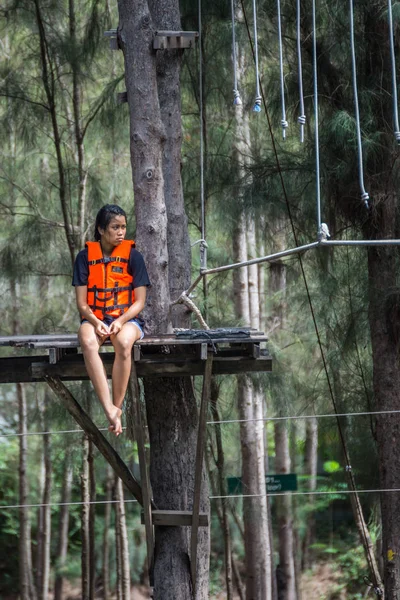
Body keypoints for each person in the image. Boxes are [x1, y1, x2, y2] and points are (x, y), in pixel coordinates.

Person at [72, 204, 150, 436]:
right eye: (115, 227)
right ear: (101, 229)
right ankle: (109, 409)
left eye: (123, 227)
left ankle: (117, 407)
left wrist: (121, 320)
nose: (121, 232)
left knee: (124, 343)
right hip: (95, 319)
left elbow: (140, 302)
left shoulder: (133, 256)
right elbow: (82, 304)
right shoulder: (84, 258)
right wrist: (96, 323)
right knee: (86, 341)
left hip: (127, 320)